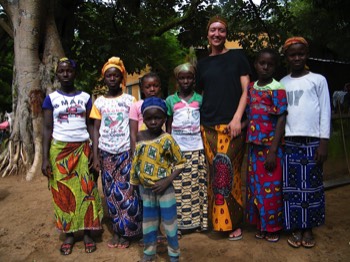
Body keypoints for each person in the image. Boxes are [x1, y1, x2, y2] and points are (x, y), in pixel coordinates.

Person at [196, 15, 251, 240]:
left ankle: (234, 221)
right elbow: (201, 94)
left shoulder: (237, 57)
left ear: (226, 34)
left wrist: (238, 118)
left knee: (229, 172)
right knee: (215, 174)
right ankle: (219, 222)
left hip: (233, 125)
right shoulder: (202, 63)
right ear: (207, 33)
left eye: (221, 30)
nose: (216, 34)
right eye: (213, 30)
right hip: (208, 126)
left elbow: (247, 90)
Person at [42, 57, 103, 255]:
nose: (65, 74)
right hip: (59, 152)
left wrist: (95, 154)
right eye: (61, 71)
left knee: (87, 190)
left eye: (69, 71)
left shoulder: (86, 97)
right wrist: (44, 158)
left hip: (83, 149)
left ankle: (86, 233)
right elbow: (47, 128)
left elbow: (91, 126)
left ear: (75, 73)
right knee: (62, 193)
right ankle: (69, 233)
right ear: (57, 74)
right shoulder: (51, 99)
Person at [280, 37, 331, 248]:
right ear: (287, 57)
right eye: (293, 54)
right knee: (292, 187)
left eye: (301, 53)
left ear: (306, 54)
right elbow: (280, 114)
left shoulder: (318, 80)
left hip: (312, 141)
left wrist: (324, 142)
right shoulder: (282, 82)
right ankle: (296, 226)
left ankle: (308, 227)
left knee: (311, 186)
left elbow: (325, 111)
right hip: (290, 141)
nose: (297, 57)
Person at [90, 57, 142, 248]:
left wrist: (135, 151)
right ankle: (117, 231)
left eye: (116, 75)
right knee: (111, 193)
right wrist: (96, 156)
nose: (112, 79)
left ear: (121, 77)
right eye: (109, 76)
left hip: (125, 151)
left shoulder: (130, 100)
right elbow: (95, 130)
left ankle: (128, 232)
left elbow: (133, 127)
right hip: (105, 153)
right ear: (104, 78)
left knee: (128, 192)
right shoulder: (99, 102)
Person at [130, 97, 186, 262]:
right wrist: (134, 183)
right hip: (146, 190)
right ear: (143, 119)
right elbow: (136, 161)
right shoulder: (139, 136)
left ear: (164, 119)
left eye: (158, 118)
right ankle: (148, 254)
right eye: (149, 118)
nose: (153, 121)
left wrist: (167, 181)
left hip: (165, 189)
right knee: (148, 224)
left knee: (170, 224)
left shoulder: (167, 139)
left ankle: (174, 255)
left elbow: (181, 163)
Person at [245, 48, 287, 242]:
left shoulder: (277, 88)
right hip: (253, 147)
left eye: (270, 64)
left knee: (272, 190)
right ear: (256, 64)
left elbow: (281, 119)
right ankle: (261, 225)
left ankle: (273, 227)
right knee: (256, 189)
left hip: (270, 148)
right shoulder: (251, 87)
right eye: (262, 63)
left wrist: (273, 150)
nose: (265, 67)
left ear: (275, 67)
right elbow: (248, 114)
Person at [166, 62, 208, 236]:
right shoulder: (170, 100)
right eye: (182, 78)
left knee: (197, 186)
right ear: (177, 80)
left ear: (194, 79)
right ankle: (179, 225)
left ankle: (199, 222)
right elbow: (168, 125)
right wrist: (168, 147)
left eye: (189, 77)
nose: (186, 81)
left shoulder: (200, 99)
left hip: (196, 148)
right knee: (178, 188)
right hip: (178, 151)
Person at [129, 72, 162, 154]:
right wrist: (134, 153)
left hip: (161, 146)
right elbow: (133, 133)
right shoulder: (136, 106)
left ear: (160, 87)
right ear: (142, 89)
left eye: (155, 86)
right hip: (143, 147)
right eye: (148, 87)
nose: (152, 89)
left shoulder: (164, 104)